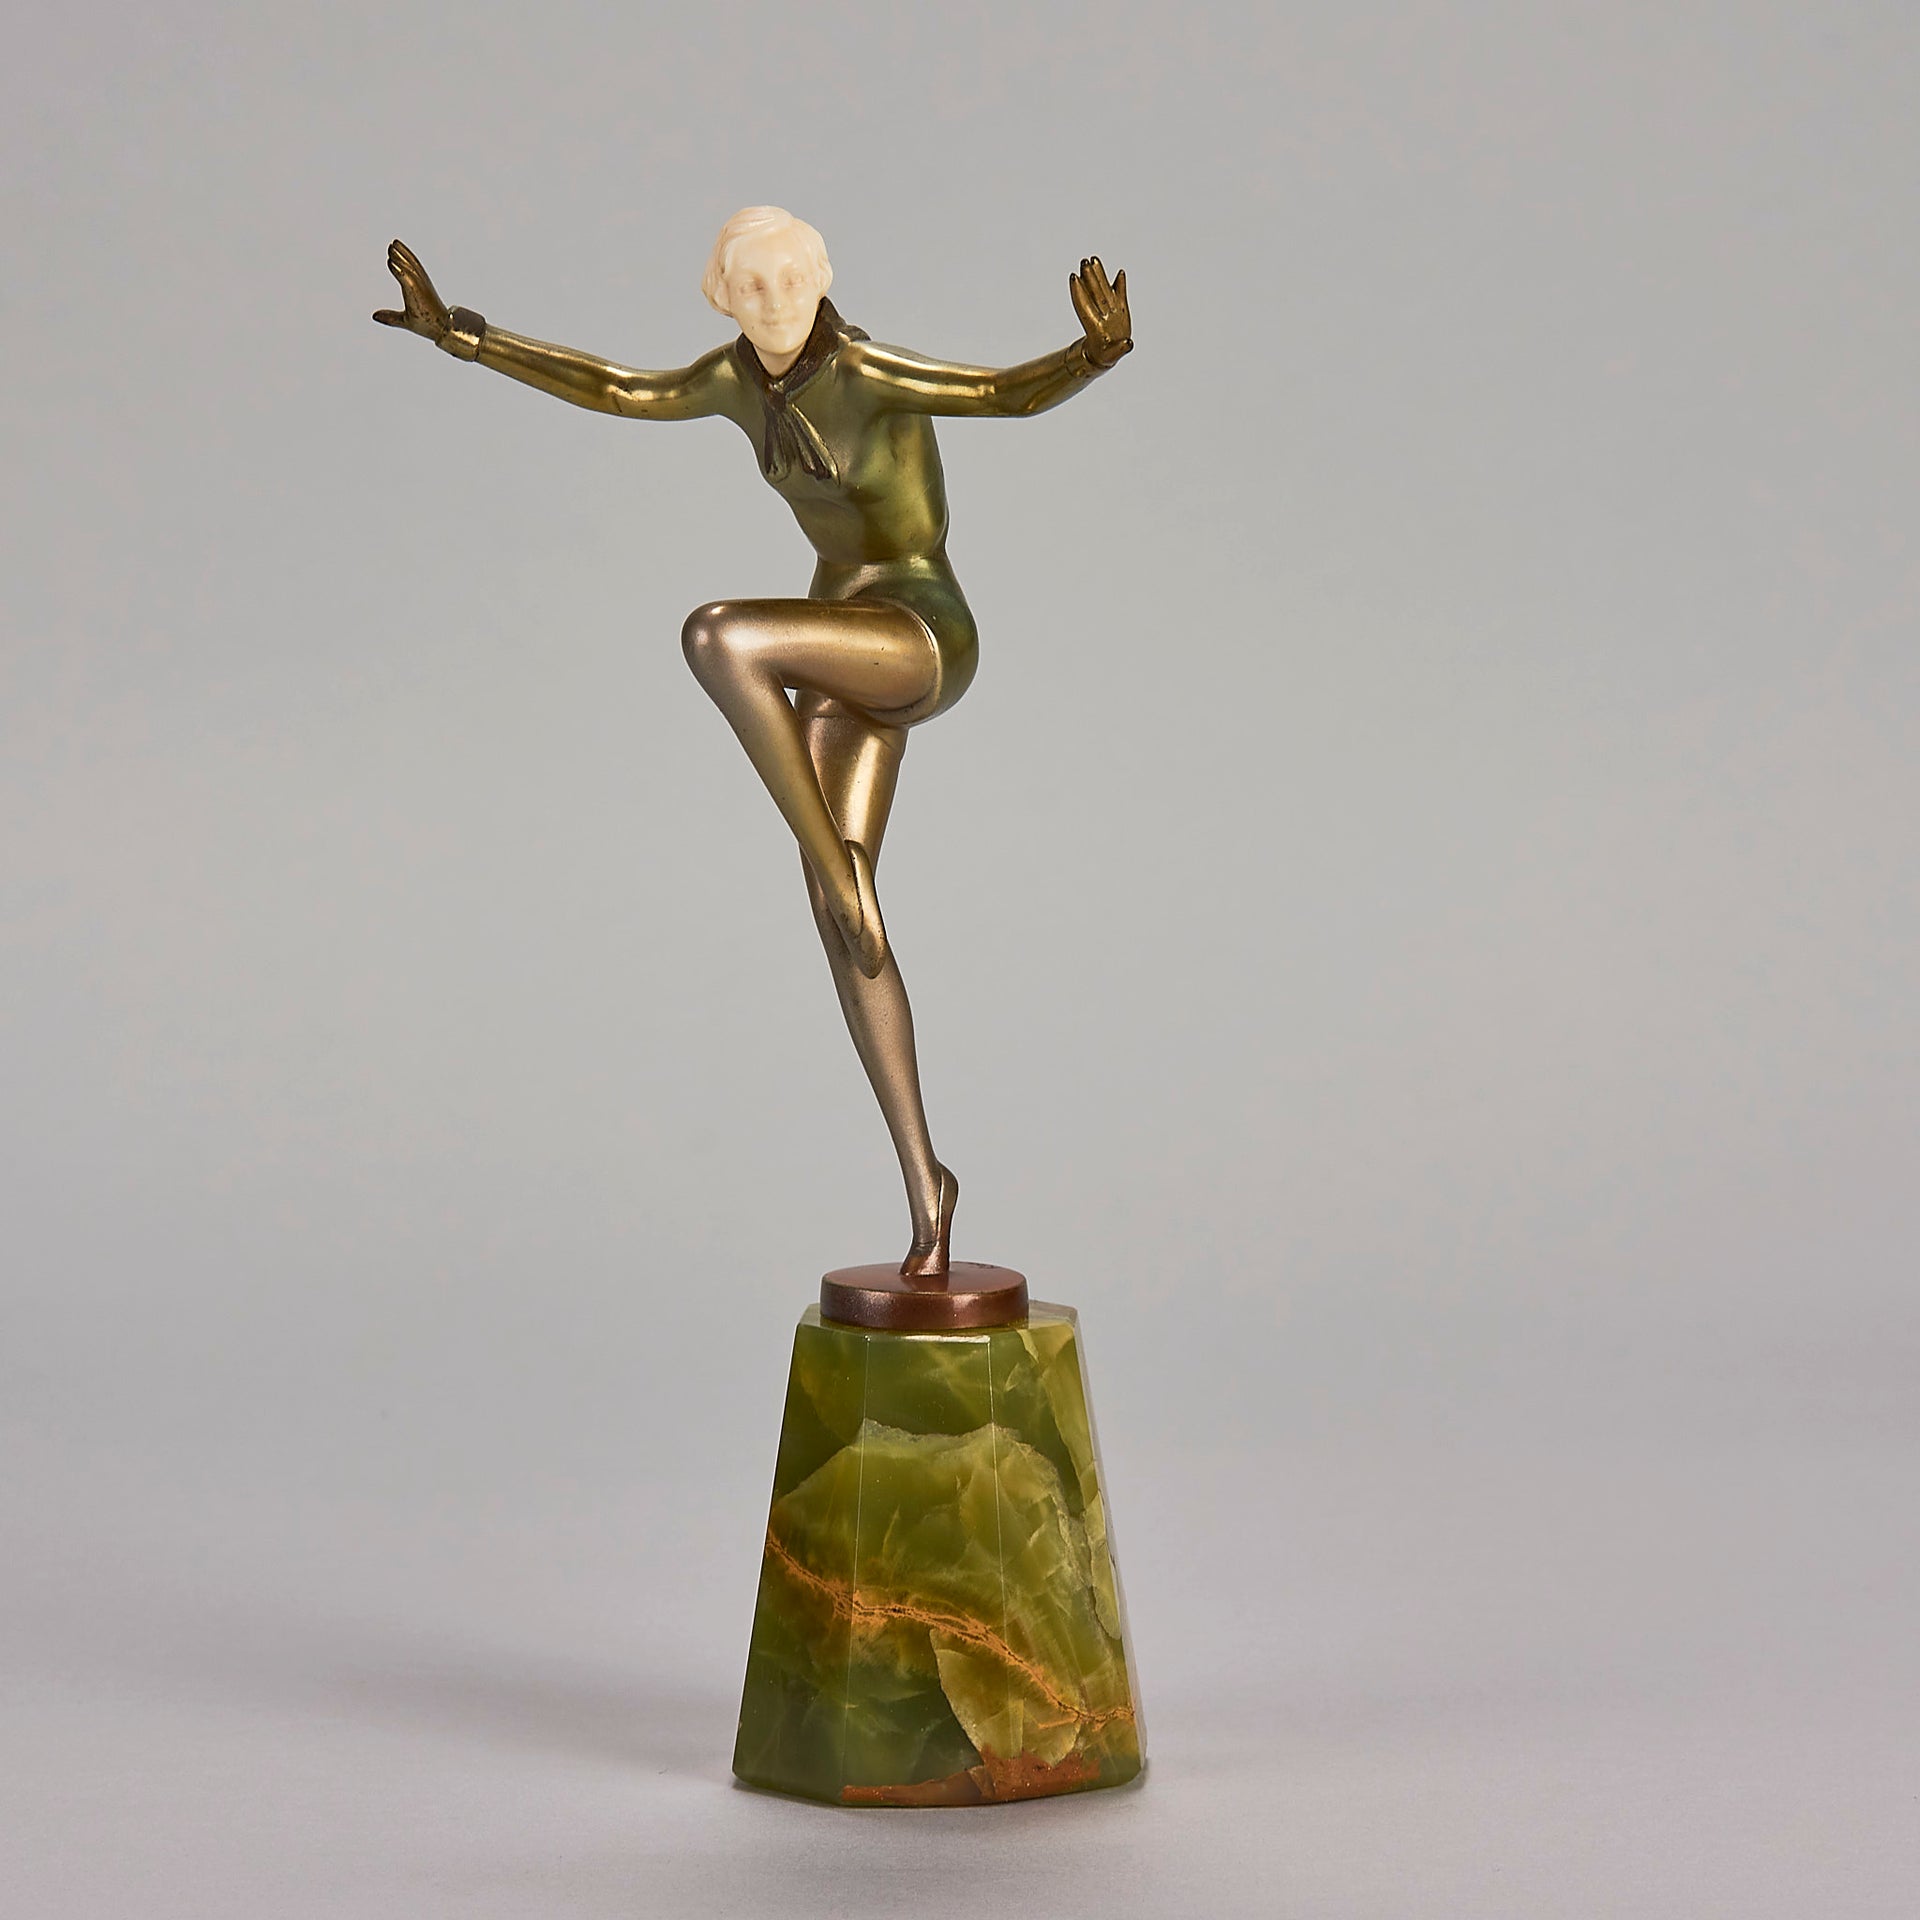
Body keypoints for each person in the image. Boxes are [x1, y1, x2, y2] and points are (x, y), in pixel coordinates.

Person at [375, 207, 1132, 1275]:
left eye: (791, 280)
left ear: (823, 279)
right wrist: (464, 334)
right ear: (721, 296)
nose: (775, 302)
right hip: (834, 645)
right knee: (842, 920)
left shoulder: (867, 371)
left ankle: (838, 871)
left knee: (721, 635)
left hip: (918, 630)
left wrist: (1092, 355)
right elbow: (621, 390)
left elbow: (999, 393)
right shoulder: (736, 381)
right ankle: (927, 1185)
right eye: (752, 286)